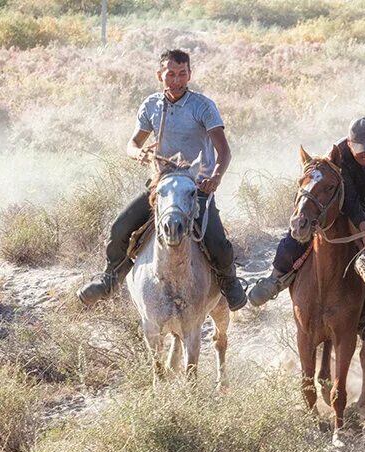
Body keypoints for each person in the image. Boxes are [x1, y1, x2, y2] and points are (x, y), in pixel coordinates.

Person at [76, 49, 246, 311]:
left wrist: (215, 178)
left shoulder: (203, 106)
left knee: (217, 242)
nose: (177, 80)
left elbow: (224, 151)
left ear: (189, 74)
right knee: (120, 227)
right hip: (161, 185)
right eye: (170, 74)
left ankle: (229, 282)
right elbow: (132, 144)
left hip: (195, 187)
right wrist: (138, 153)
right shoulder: (151, 105)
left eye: (182, 74)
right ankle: (109, 279)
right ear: (160, 75)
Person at [247, 117, 365, 351]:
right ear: (349, 143)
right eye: (360, 149)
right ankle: (277, 277)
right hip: (338, 206)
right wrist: (359, 225)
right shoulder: (338, 154)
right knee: (300, 232)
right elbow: (348, 196)